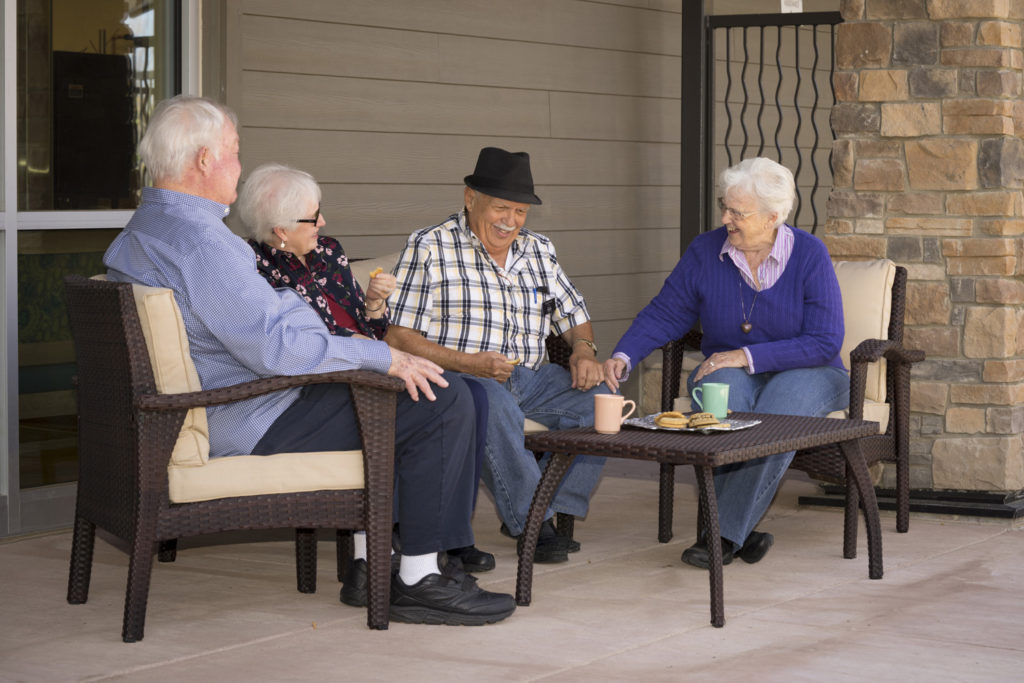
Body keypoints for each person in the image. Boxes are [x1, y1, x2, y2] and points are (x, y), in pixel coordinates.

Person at [103, 95, 515, 626]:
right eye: (233, 152)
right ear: (203, 160)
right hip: (248, 414)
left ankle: (370, 567)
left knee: (390, 399)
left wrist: (308, 325)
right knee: (438, 397)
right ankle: (418, 578)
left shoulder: (141, 232)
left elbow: (277, 321)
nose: (239, 165)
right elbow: (279, 347)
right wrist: (382, 356)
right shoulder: (204, 242)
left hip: (201, 407)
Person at [237, 162, 497, 576]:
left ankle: (450, 535)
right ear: (280, 229)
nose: (323, 221)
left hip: (375, 361)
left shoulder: (329, 252)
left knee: (475, 394)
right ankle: (399, 539)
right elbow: (303, 344)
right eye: (312, 216)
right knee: (435, 398)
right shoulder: (254, 271)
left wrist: (374, 302)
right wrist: (366, 347)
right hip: (330, 380)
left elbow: (370, 326)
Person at [604, 157, 848, 569]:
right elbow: (666, 312)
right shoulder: (706, 250)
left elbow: (824, 340)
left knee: (778, 413)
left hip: (812, 370)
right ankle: (743, 531)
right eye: (725, 207)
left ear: (773, 217)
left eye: (738, 212)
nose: (726, 219)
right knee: (719, 411)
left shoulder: (809, 254)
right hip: (730, 368)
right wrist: (624, 354)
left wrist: (746, 354)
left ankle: (719, 536)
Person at [386, 146, 609, 564]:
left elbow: (574, 314)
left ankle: (549, 505)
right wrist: (469, 363)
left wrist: (583, 350)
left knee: (605, 403)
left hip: (533, 377)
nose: (510, 221)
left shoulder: (540, 250)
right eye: (501, 208)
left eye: (520, 212)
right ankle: (531, 522)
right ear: (470, 198)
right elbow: (399, 337)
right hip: (461, 375)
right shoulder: (431, 246)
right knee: (493, 406)